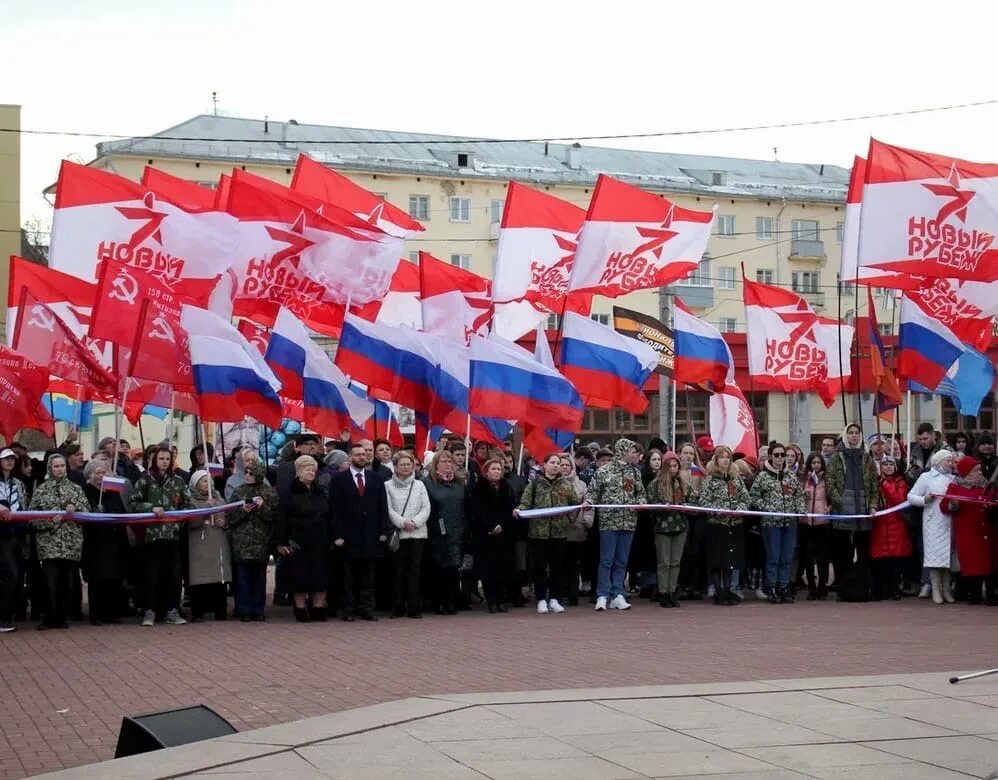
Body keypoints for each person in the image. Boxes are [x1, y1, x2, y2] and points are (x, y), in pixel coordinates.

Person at [329, 443, 392, 621]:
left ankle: (366, 608)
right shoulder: (339, 479)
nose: (362, 457)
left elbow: (382, 507)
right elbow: (335, 509)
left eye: (364, 454)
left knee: (368, 576)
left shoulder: (375, 479)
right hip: (349, 535)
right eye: (357, 455)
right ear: (350, 458)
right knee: (348, 576)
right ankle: (348, 608)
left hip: (371, 534)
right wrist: (337, 535)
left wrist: (383, 530)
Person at [131, 446, 192, 627]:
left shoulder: (179, 481)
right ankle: (150, 610)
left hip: (172, 535)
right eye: (161, 459)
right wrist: (150, 508)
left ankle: (172, 609)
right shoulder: (145, 480)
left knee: (173, 575)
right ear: (154, 460)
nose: (164, 462)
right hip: (151, 536)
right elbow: (133, 503)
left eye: (167, 459)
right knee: (151, 575)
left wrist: (177, 517)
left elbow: (188, 505)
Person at [28, 454, 88, 630]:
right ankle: (48, 617)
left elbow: (87, 512)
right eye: (56, 466)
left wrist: (75, 509)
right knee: (49, 582)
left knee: (67, 583)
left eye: (62, 466)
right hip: (49, 544)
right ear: (50, 468)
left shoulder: (76, 489)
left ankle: (61, 617)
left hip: (70, 544)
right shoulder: (41, 490)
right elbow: (32, 518)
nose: (60, 469)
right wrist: (49, 521)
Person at [587, 438, 647, 612]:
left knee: (622, 561)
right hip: (608, 523)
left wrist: (640, 503)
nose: (634, 454)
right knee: (606, 560)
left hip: (628, 522)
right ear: (622, 451)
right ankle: (602, 594)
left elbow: (640, 493)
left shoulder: (635, 473)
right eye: (631, 451)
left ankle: (617, 593)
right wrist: (589, 502)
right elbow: (592, 492)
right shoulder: (603, 471)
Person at [516, 454, 576, 615]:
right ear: (545, 465)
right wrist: (519, 510)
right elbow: (525, 503)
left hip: (559, 533)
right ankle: (541, 598)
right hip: (538, 534)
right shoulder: (534, 485)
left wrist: (573, 514)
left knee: (558, 567)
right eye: (552, 462)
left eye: (558, 463)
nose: (556, 466)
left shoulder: (566, 485)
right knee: (539, 567)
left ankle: (555, 599)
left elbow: (573, 505)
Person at [273, 455, 330, 622]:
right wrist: (281, 542)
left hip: (320, 541)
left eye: (313, 470)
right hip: (298, 542)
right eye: (307, 469)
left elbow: (328, 515)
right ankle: (300, 609)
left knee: (320, 577)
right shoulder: (289, 493)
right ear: (299, 471)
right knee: (300, 578)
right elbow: (282, 519)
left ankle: (317, 608)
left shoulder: (320, 492)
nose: (311, 472)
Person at [749, 443, 805, 603]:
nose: (780, 458)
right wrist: (767, 507)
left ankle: (784, 586)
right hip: (771, 523)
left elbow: (798, 496)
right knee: (773, 556)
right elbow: (753, 497)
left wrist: (800, 510)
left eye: (783, 455)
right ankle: (771, 587)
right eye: (777, 455)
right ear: (771, 457)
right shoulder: (763, 476)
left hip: (790, 523)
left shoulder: (791, 476)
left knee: (787, 557)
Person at [826, 423, 878, 588]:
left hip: (863, 512)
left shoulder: (867, 457)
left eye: (857, 433)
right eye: (851, 433)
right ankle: (844, 586)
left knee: (863, 552)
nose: (854, 436)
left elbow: (874, 485)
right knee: (843, 553)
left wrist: (872, 505)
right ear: (846, 436)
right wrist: (839, 502)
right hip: (843, 513)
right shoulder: (837, 457)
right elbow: (830, 483)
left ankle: (862, 586)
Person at [697, 445, 749, 606]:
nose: (725, 460)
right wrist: (717, 511)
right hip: (717, 525)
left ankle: (728, 589)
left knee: (730, 560)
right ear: (716, 460)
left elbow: (745, 498)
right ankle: (718, 590)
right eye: (722, 457)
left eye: (728, 457)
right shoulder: (710, 479)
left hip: (734, 524)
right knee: (717, 560)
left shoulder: (736, 478)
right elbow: (704, 501)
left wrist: (739, 509)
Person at [81, 458, 128, 624]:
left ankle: (112, 613)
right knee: (97, 578)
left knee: (113, 577)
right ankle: (97, 614)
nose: (100, 476)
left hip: (112, 539)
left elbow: (121, 511)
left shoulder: (112, 491)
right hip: (94, 540)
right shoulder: (85, 490)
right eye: (97, 472)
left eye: (103, 472)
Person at [228, 461, 276, 621]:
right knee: (242, 578)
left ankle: (258, 609)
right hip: (242, 542)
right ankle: (243, 610)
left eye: (251, 473)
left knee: (259, 578)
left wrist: (262, 508)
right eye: (246, 472)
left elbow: (273, 517)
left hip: (261, 541)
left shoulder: (268, 493)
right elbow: (230, 517)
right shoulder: (238, 491)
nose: (247, 476)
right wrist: (242, 512)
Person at [907, 450, 957, 604]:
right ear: (939, 461)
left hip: (949, 521)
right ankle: (935, 588)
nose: (951, 463)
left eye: (952, 461)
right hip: (933, 521)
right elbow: (911, 496)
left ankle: (946, 589)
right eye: (948, 460)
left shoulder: (953, 479)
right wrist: (925, 499)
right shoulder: (926, 477)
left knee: (948, 556)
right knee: (935, 556)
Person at [385, 451, 430, 619]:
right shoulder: (387, 486)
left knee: (415, 571)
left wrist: (415, 522)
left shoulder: (420, 485)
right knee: (398, 572)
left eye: (409, 464)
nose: (406, 467)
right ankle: (397, 606)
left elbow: (426, 508)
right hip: (399, 535)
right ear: (395, 467)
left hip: (417, 535)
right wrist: (403, 523)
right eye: (402, 464)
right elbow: (388, 509)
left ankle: (413, 606)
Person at [423, 451, 469, 615]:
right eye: (444, 461)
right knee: (439, 568)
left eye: (450, 461)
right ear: (436, 464)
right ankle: (439, 602)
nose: (448, 464)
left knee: (454, 568)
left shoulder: (459, 484)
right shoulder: (428, 483)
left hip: (457, 531)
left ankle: (453, 601)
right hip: (437, 532)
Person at [942, 456, 993, 605]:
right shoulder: (955, 487)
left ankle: (988, 593)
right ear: (967, 472)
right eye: (976, 470)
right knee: (971, 563)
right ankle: (973, 593)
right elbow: (944, 506)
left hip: (983, 529)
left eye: (980, 470)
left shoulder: (986, 485)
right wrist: (954, 505)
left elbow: (992, 498)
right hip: (967, 531)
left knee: (986, 562)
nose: (980, 473)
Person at [472, 456, 516, 613]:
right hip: (485, 534)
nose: (497, 472)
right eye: (493, 469)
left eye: (499, 469)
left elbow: (510, 508)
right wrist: (491, 525)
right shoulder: (479, 487)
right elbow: (478, 510)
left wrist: (502, 525)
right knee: (487, 569)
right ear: (486, 471)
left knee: (501, 569)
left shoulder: (506, 487)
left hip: (503, 534)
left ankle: (500, 600)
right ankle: (491, 600)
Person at [186, 470, 231, 621]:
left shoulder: (219, 498)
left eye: (209, 481)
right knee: (200, 578)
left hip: (217, 542)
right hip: (199, 543)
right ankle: (199, 611)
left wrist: (224, 523)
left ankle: (220, 610)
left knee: (219, 578)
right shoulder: (190, 500)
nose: (208, 484)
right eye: (204, 481)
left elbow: (227, 517)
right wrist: (205, 509)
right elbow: (190, 522)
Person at [648, 452, 690, 608]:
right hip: (663, 527)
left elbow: (693, 499)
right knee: (664, 562)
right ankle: (663, 592)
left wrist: (688, 507)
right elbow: (651, 505)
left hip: (680, 525)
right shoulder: (656, 484)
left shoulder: (682, 483)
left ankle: (673, 591)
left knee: (675, 562)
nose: (673, 469)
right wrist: (662, 508)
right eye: (670, 466)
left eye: (675, 466)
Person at [870, 458, 912, 601]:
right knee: (881, 559)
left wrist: (886, 485)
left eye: (890, 464)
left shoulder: (900, 482)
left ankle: (894, 588)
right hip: (880, 524)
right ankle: (881, 589)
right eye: (885, 464)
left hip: (896, 523)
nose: (888, 467)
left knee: (895, 559)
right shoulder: (875, 481)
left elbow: (899, 500)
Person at [0, 448, 29, 632]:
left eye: (12, 459)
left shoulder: (17, 483)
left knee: (15, 575)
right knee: (9, 574)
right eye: (6, 459)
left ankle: (7, 615)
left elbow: (24, 505)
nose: (10, 462)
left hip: (16, 533)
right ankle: (3, 618)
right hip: (1, 534)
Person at [559, 454, 592, 606]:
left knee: (574, 564)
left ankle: (573, 594)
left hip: (577, 530)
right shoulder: (554, 484)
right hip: (559, 530)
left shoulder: (582, 485)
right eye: (562, 465)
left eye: (567, 465)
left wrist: (586, 522)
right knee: (559, 563)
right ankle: (560, 592)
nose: (564, 467)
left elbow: (588, 505)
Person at [799, 452, 831, 600]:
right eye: (813, 463)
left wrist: (829, 507)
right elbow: (797, 497)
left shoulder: (827, 479)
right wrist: (803, 495)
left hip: (822, 522)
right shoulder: (805, 479)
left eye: (818, 463)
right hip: (806, 522)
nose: (816, 465)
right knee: (808, 557)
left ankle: (822, 586)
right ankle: (811, 587)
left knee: (823, 557)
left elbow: (831, 497)